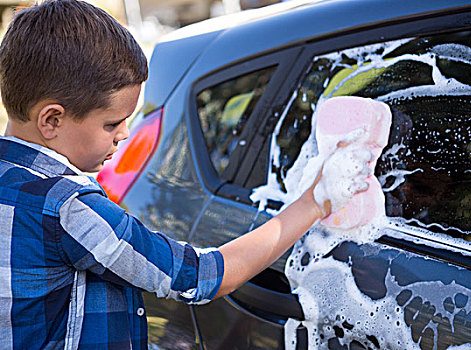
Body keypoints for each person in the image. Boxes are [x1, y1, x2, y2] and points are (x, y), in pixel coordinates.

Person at [0, 1, 342, 349]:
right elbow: (201, 276)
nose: (124, 135)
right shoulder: (70, 208)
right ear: (52, 120)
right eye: (112, 124)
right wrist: (314, 203)